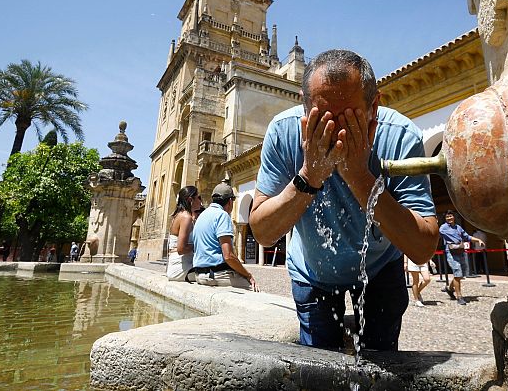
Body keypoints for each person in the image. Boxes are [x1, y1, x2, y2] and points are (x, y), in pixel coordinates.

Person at [249, 49, 438, 351]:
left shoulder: (399, 136)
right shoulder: (283, 134)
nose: (335, 134)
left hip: (380, 268)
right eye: (321, 119)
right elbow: (263, 232)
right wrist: (309, 177)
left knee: (381, 363)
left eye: (350, 120)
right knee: (318, 365)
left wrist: (360, 178)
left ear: (374, 106)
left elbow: (422, 248)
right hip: (312, 271)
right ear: (304, 105)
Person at [192, 183, 259, 291]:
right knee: (252, 289)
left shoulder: (202, 215)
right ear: (230, 201)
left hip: (199, 274)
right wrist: (248, 275)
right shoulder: (222, 215)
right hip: (216, 275)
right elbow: (228, 256)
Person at [439, 210, 484, 305]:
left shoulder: (458, 227)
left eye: (450, 216)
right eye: (447, 217)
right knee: (457, 273)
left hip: (460, 251)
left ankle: (449, 288)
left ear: (454, 217)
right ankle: (459, 297)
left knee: (459, 274)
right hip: (451, 252)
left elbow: (467, 237)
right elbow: (435, 233)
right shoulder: (443, 228)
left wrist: (478, 240)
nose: (449, 218)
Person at [165, 186, 203, 281]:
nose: (200, 201)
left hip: (180, 265)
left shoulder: (179, 215)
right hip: (181, 269)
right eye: (198, 197)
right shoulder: (186, 217)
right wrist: (198, 245)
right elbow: (181, 249)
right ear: (190, 199)